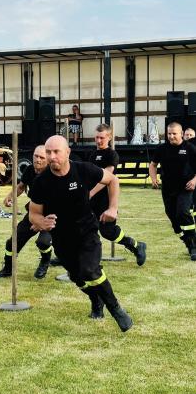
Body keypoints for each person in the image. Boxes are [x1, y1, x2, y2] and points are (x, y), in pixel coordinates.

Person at [29, 135, 133, 331]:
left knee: (90, 271)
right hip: (61, 239)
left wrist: (113, 208)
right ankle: (96, 300)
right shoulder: (41, 182)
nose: (52, 157)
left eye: (56, 152)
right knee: (78, 278)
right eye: (48, 152)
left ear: (67, 152)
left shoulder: (83, 170)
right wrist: (41, 222)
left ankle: (117, 309)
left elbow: (113, 180)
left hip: (87, 232)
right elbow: (33, 214)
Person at [87, 123, 146, 265]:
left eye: (101, 137)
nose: (98, 140)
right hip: (91, 202)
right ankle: (88, 260)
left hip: (106, 201)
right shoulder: (92, 155)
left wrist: (90, 193)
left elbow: (106, 176)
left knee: (108, 232)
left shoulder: (112, 155)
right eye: (96, 137)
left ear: (109, 137)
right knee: (87, 230)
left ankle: (135, 245)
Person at [0, 145, 53, 279]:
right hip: (34, 212)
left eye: (42, 157)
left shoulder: (53, 173)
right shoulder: (30, 170)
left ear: (48, 159)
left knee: (43, 242)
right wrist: (10, 196)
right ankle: (7, 269)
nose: (38, 160)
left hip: (51, 215)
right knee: (13, 241)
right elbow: (21, 187)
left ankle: (45, 261)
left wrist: (41, 223)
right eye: (36, 156)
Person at [149, 122, 196, 261]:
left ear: (181, 134)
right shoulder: (162, 149)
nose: (171, 136)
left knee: (182, 212)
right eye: (169, 133)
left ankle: (194, 245)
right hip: (168, 188)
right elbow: (153, 165)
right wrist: (153, 179)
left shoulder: (190, 148)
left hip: (185, 187)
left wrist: (194, 180)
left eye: (174, 133)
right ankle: (188, 242)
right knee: (174, 220)